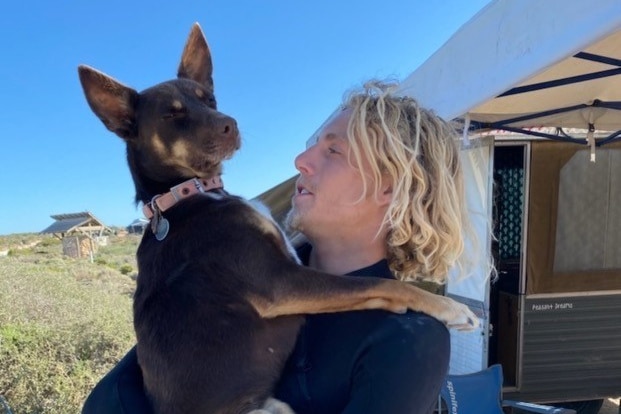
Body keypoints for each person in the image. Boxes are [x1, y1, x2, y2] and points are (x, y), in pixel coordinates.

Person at [81, 80, 471, 414]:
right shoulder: (229, 266)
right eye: (313, 145)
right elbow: (111, 400)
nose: (301, 160)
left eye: (333, 151)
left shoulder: (410, 338)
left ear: (391, 186)